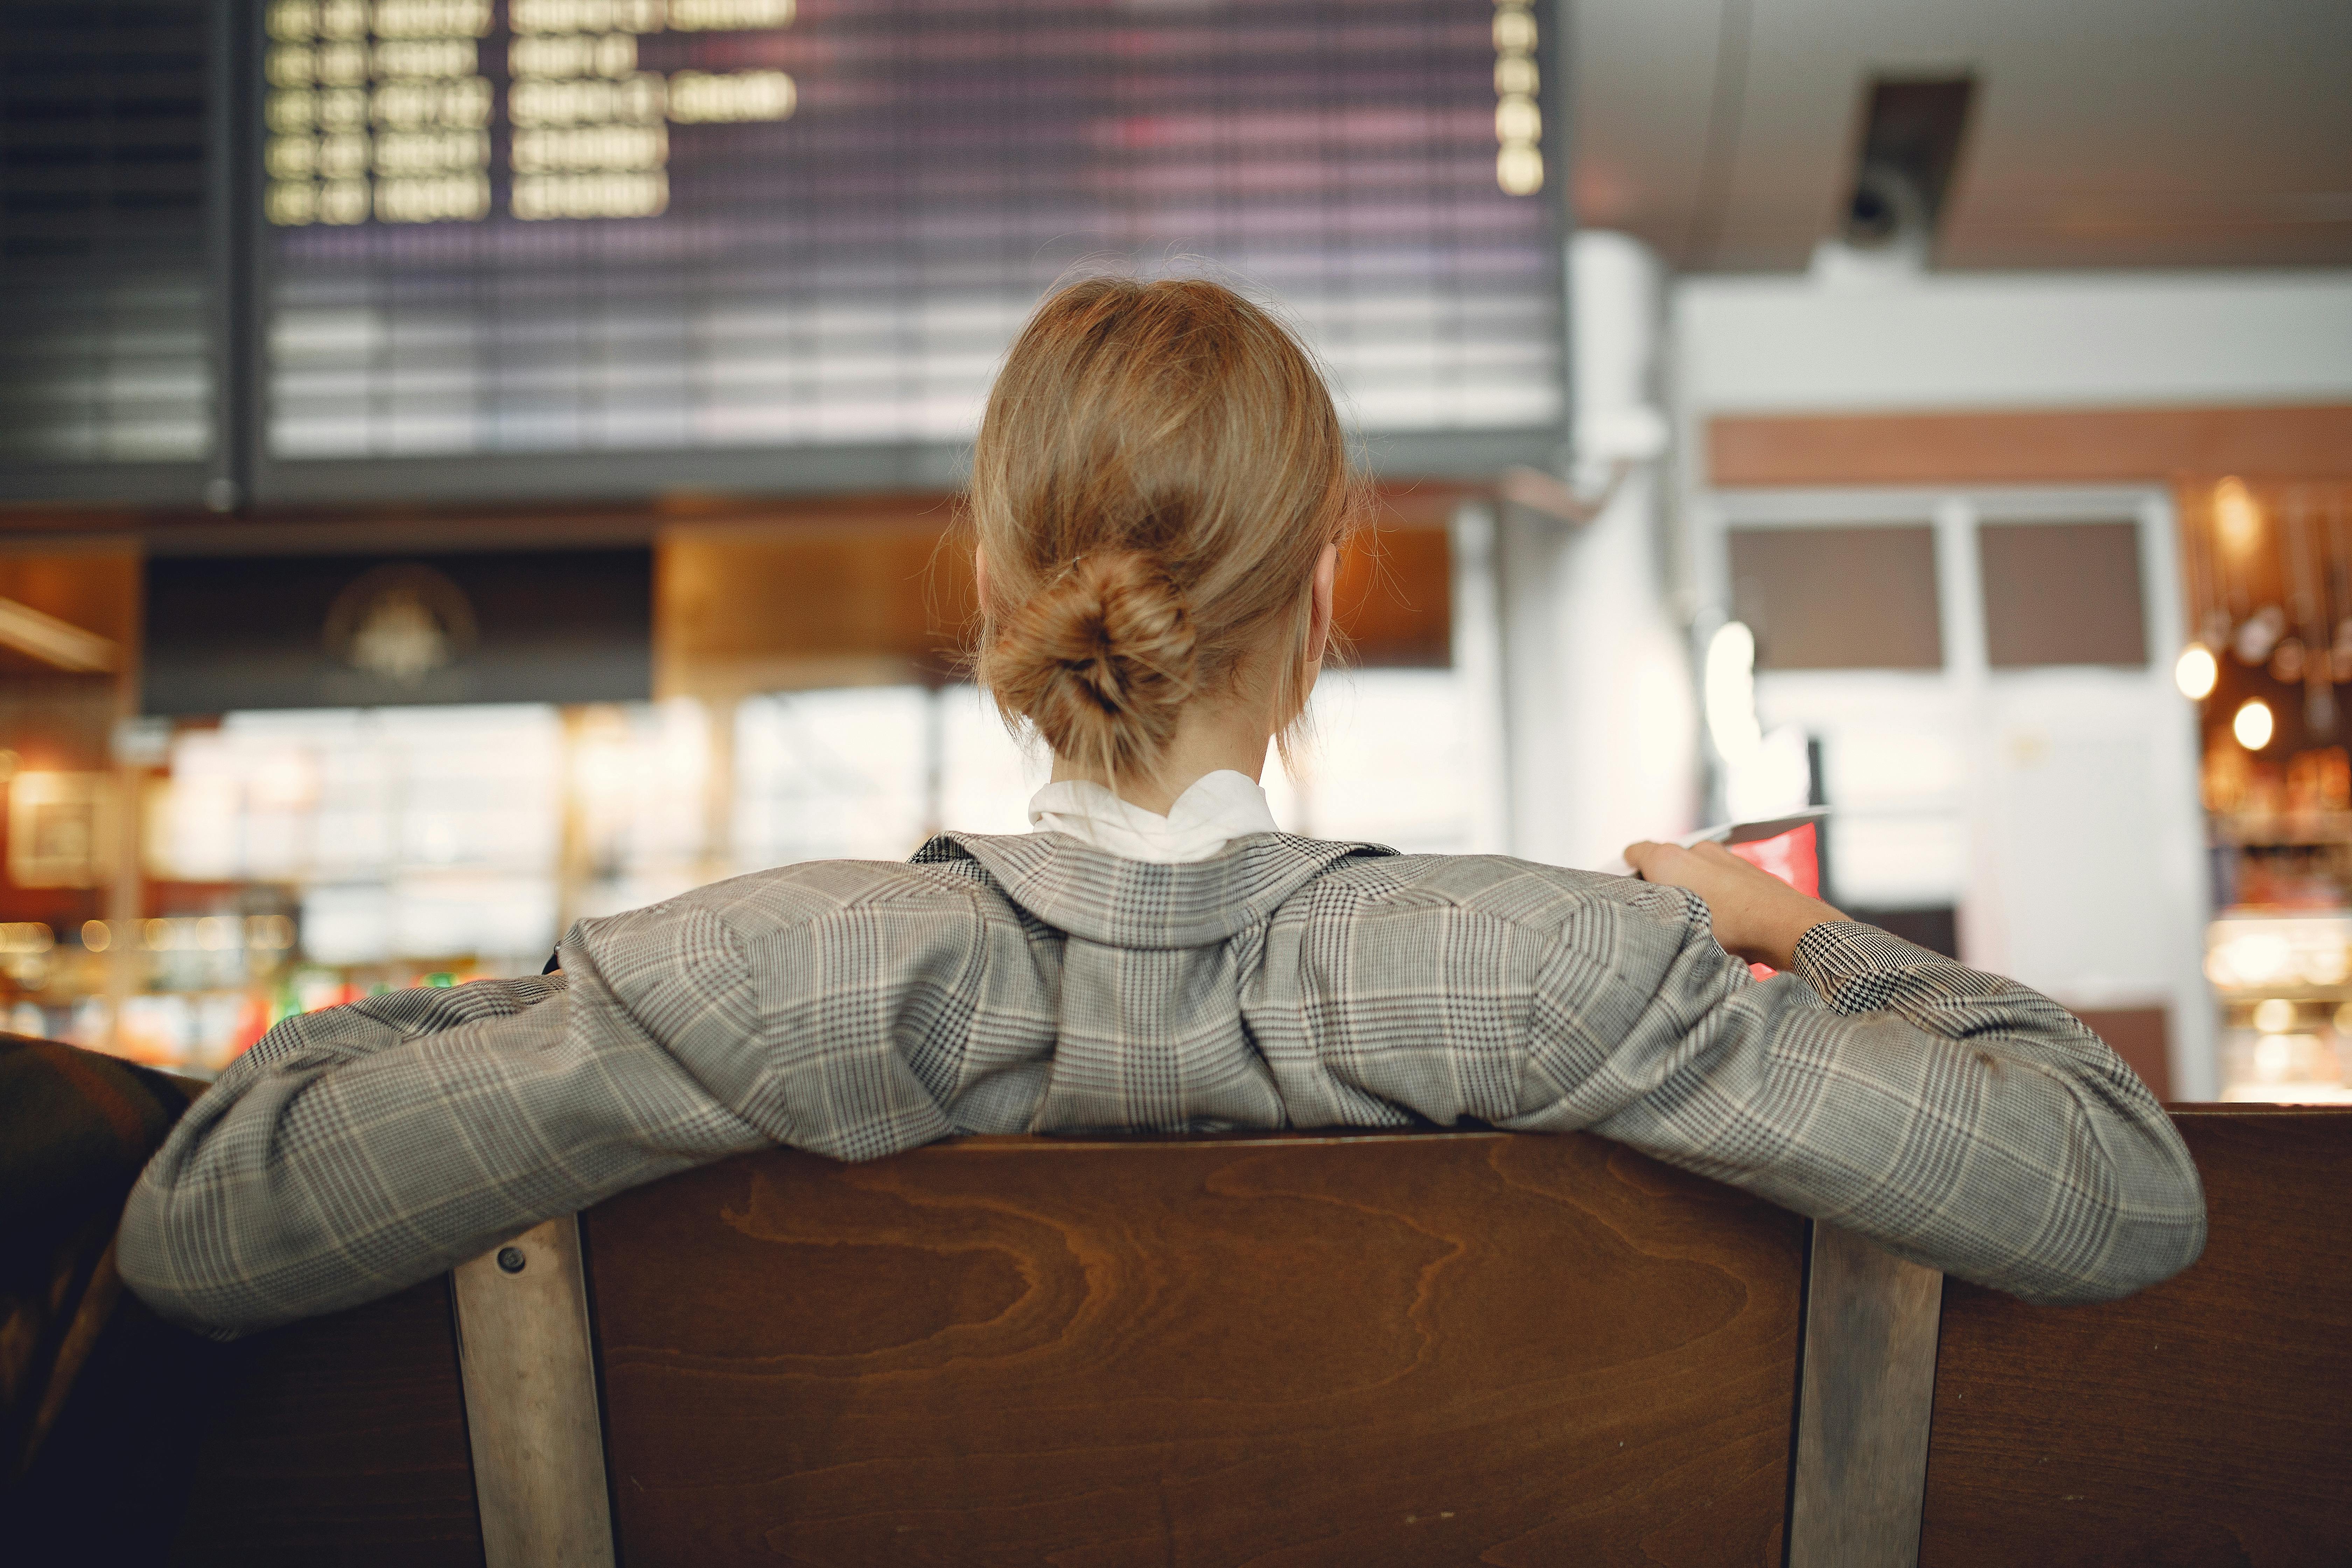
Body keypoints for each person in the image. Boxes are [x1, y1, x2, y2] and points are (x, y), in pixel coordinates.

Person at [118, 279, 2205, 1335]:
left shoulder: (760, 978)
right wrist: (1792, 934)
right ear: (1317, 615)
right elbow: (2118, 1189)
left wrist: (545, 998)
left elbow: (211, 1222)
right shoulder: (1562, 972)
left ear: (1007, 595)